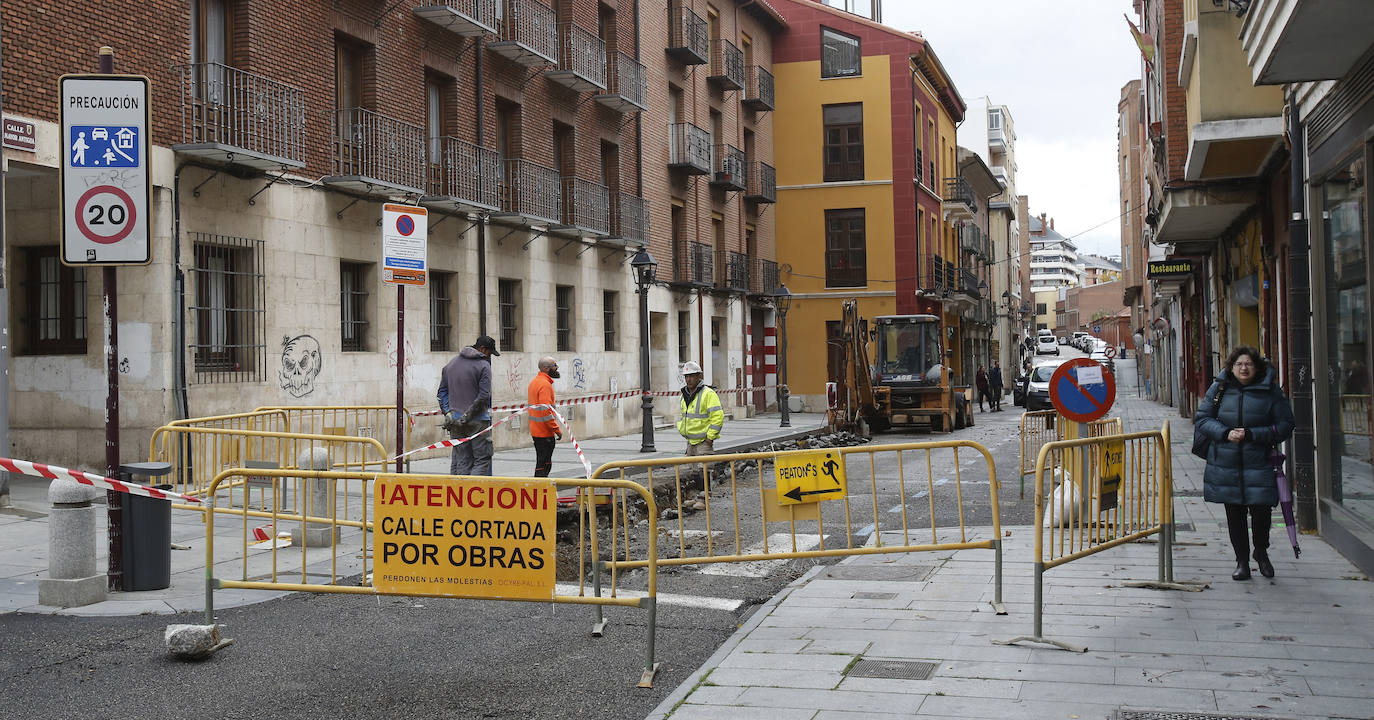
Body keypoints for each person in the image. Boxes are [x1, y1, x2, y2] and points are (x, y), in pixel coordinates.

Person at [1194, 347, 1295, 581]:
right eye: (1239, 364)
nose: (1243, 368)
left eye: (1248, 364)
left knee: (1261, 513)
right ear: (1231, 366)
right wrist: (1225, 433)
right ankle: (1241, 561)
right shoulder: (1219, 388)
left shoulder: (1270, 391)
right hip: (1225, 463)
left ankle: (1261, 552)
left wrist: (1252, 434)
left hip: (1258, 462)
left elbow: (1285, 425)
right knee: (1235, 514)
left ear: (1256, 367)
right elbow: (1203, 419)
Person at [438, 335, 500, 476]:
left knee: (461, 459)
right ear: (483, 349)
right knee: (482, 459)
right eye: (490, 353)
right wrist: (468, 415)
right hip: (478, 420)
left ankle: (457, 494)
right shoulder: (484, 366)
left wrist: (448, 412)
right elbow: (484, 395)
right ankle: (475, 495)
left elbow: (442, 392)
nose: (489, 356)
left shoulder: (451, 364)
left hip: (455, 420)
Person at [677, 361, 724, 455]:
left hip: (704, 443)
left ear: (699, 376)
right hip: (690, 442)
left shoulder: (708, 394)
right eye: (686, 376)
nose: (688, 379)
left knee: (704, 469)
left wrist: (710, 438)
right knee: (692, 469)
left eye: (691, 376)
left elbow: (718, 417)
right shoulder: (684, 395)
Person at [527, 356, 563, 478]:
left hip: (536, 430)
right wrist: (556, 429)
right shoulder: (545, 385)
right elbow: (545, 410)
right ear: (546, 368)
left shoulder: (535, 382)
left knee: (541, 462)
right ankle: (540, 490)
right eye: (554, 365)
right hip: (544, 432)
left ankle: (540, 489)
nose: (557, 368)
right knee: (544, 465)